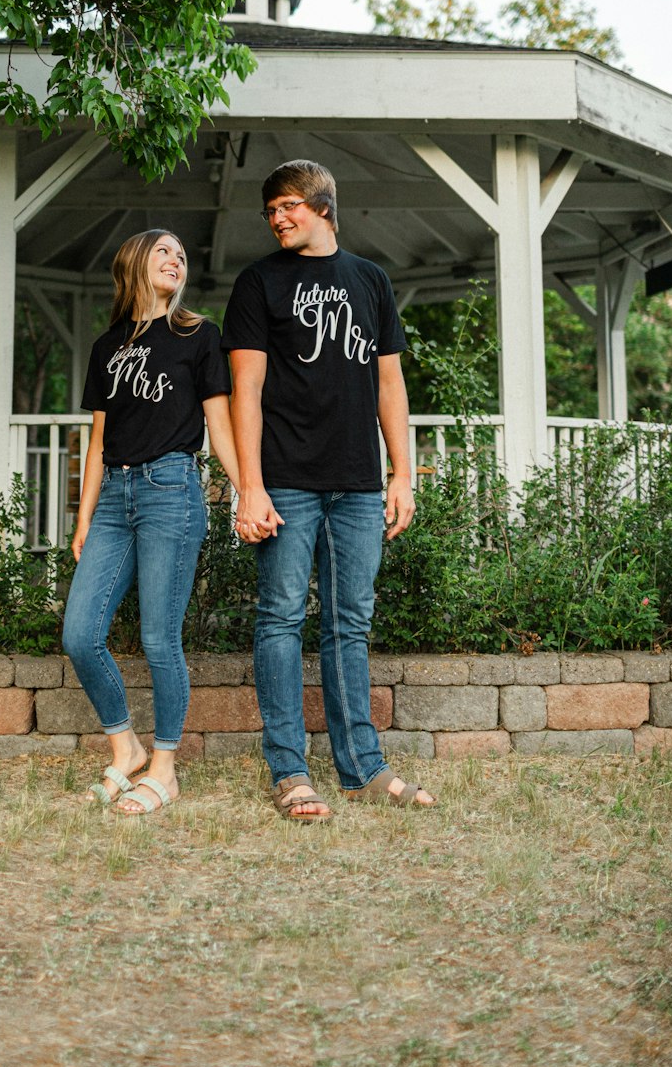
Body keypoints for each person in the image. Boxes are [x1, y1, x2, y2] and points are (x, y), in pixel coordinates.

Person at [222, 160, 436, 821]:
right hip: (286, 480)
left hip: (356, 485)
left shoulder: (370, 280)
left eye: (287, 205)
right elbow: (245, 392)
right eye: (270, 211)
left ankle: (361, 770)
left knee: (350, 624)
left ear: (322, 205)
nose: (277, 218)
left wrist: (401, 473)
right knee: (281, 619)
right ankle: (288, 771)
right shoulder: (258, 283)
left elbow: (390, 385)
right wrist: (250, 488)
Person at [64, 230, 239, 816]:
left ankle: (164, 769)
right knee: (80, 634)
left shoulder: (198, 336)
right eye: (164, 250)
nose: (176, 259)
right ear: (135, 263)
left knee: (160, 638)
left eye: (182, 254)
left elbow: (220, 423)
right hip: (113, 496)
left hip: (171, 490)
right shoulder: (107, 346)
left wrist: (247, 492)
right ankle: (127, 746)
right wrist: (84, 518)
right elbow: (97, 442)